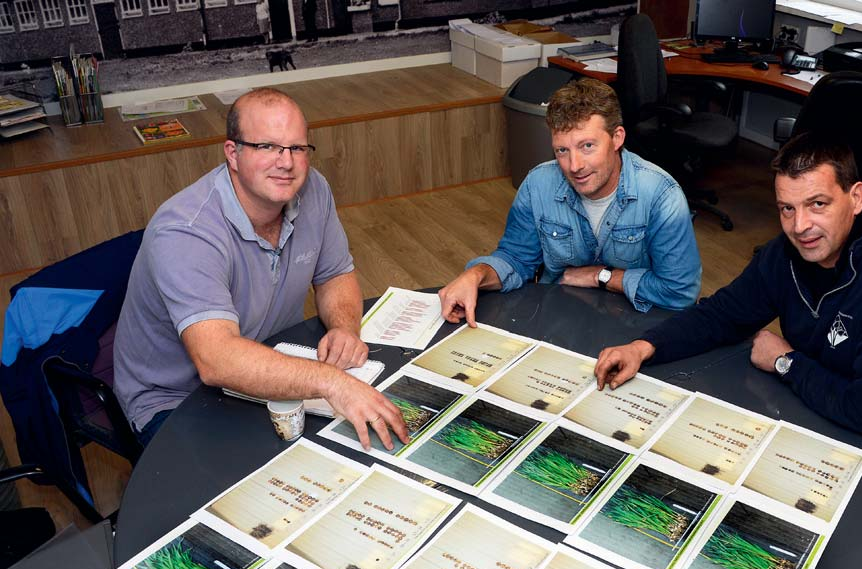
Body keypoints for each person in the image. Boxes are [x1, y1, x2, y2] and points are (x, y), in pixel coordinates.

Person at [593, 133, 862, 486]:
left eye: (818, 205)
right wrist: (642, 348)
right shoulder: (788, 253)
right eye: (787, 209)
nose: (800, 226)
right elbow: (722, 315)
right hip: (815, 410)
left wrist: (786, 362)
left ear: (856, 198)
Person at [114, 88, 406, 451]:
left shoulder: (314, 189)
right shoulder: (186, 230)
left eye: (297, 148)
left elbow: (334, 273)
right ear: (233, 154)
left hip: (269, 361)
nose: (286, 162)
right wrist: (332, 382)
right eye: (267, 146)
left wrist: (345, 328)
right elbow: (216, 359)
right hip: (177, 400)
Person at [438, 78, 701, 325]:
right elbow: (516, 259)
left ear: (617, 138)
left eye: (587, 146)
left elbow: (679, 293)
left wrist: (602, 276)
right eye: (562, 150)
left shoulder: (661, 195)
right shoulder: (538, 184)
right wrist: (475, 275)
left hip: (634, 323)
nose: (574, 166)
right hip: (558, 318)